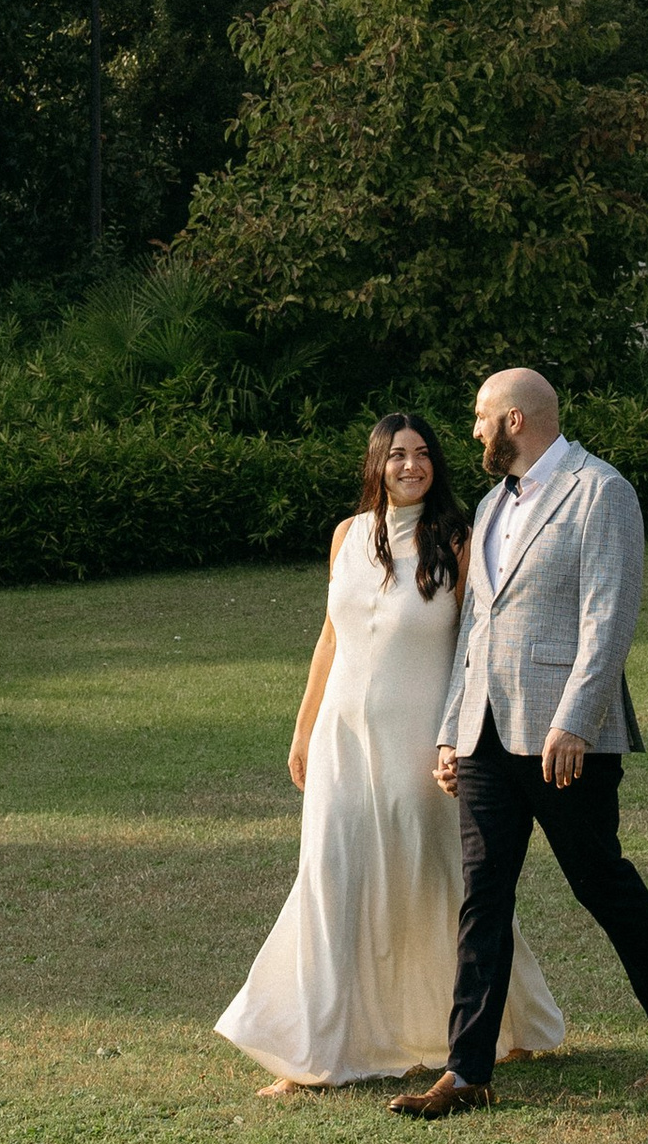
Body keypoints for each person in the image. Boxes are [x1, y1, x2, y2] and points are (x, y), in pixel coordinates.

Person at [391, 365, 648, 1119]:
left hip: (564, 737)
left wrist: (575, 719)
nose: (470, 430)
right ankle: (466, 1072)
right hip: (484, 735)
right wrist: (451, 731)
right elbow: (476, 628)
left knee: (599, 882)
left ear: (514, 421)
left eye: (480, 417)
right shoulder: (489, 505)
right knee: (484, 899)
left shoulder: (602, 491)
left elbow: (610, 615)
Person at [216, 410, 566, 1092]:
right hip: (343, 736)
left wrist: (457, 736)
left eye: (422, 454)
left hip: (423, 739)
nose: (411, 465)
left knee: (446, 880)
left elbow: (477, 644)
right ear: (375, 465)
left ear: (437, 463)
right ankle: (313, 1053)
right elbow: (329, 637)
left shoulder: (462, 539)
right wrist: (303, 725)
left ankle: (510, 1024)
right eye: (396, 455)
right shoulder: (346, 536)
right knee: (332, 877)